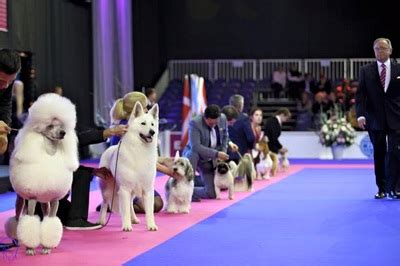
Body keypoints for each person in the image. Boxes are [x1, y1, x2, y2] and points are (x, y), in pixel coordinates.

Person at [355, 37, 400, 199]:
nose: (380, 51)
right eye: (377, 48)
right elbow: (360, 95)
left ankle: (396, 188)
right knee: (379, 154)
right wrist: (360, 115)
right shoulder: (365, 70)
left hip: (396, 118)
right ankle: (381, 188)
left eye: (383, 48)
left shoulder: (399, 69)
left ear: (390, 50)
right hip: (375, 119)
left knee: (396, 153)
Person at [182, 104, 230, 200]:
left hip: (210, 160)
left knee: (212, 194)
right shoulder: (195, 123)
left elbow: (225, 136)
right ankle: (187, 186)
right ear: (205, 117)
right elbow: (196, 147)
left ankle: (187, 190)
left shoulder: (223, 118)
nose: (214, 125)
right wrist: (216, 154)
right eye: (211, 124)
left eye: (216, 123)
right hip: (196, 156)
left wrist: (223, 152)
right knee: (193, 153)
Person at [0, 49, 21, 156]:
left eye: (11, 81)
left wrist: (4, 130)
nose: (6, 86)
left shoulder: (6, 81)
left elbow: (5, 104)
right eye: (1, 81)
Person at [227, 94, 255, 163]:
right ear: (241, 105)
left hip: (225, 154)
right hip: (240, 154)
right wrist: (250, 148)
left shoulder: (223, 117)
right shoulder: (244, 118)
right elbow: (250, 138)